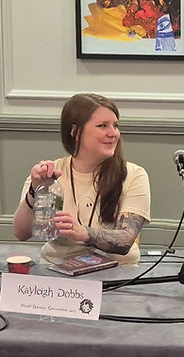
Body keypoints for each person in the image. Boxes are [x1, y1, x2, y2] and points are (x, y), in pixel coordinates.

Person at [12, 93, 151, 266]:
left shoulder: (134, 174)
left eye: (115, 126)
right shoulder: (51, 173)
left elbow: (125, 240)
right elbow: (21, 233)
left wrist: (83, 233)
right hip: (57, 268)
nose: (113, 133)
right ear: (75, 132)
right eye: (102, 126)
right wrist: (35, 190)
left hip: (117, 271)